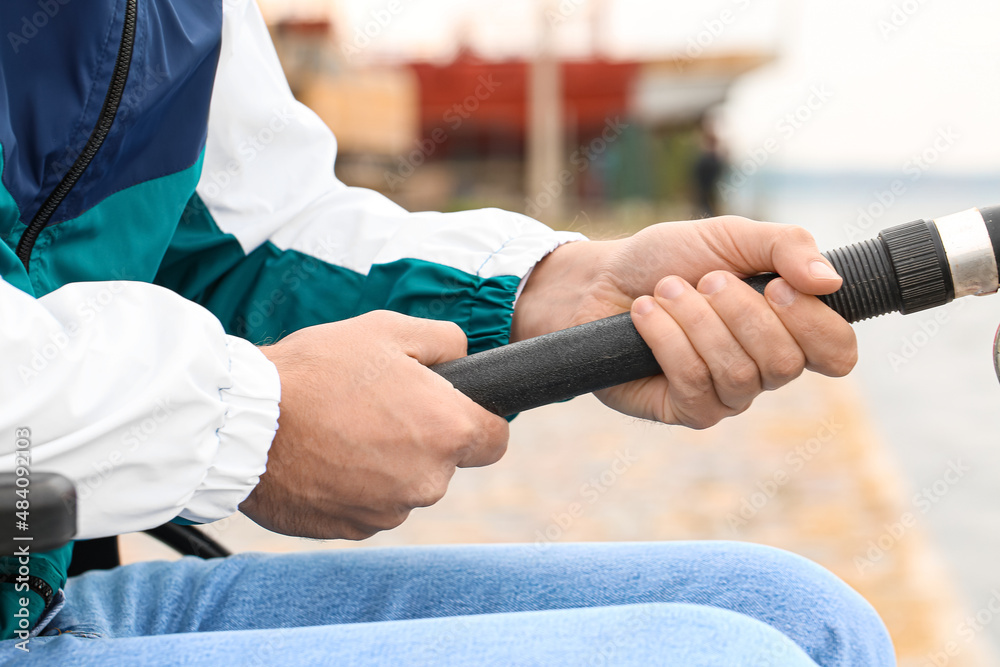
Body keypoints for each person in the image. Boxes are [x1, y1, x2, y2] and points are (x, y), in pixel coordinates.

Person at [0, 1, 894, 664]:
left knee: (805, 617)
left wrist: (552, 289)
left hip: (32, 586)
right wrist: (242, 422)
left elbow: (239, 237)